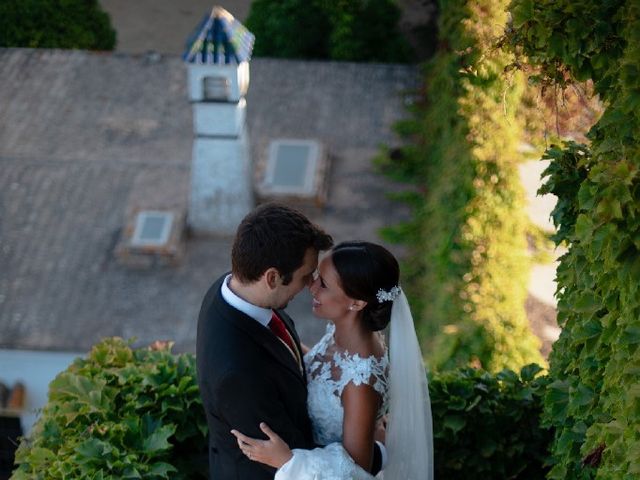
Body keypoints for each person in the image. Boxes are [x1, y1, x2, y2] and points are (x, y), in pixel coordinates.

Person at [231, 241, 434, 479]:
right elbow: (321, 365)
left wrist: (288, 461)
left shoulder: (360, 381)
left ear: (357, 303)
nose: (312, 286)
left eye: (324, 284)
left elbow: (357, 470)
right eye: (317, 276)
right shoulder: (345, 334)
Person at [195, 202, 333, 479]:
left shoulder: (232, 288)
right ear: (272, 277)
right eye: (305, 276)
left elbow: (285, 351)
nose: (310, 285)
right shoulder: (238, 375)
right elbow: (294, 457)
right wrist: (376, 452)